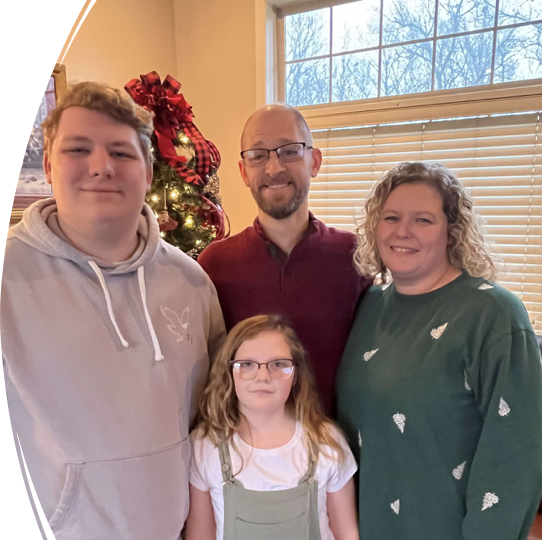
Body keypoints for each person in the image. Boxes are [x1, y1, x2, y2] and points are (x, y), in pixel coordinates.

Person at [0, 82, 226, 539]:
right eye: (78, 149)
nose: (101, 167)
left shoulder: (193, 283)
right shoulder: (9, 282)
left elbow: (213, 416)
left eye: (122, 153)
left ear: (147, 172)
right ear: (48, 166)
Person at [336, 161, 542, 540]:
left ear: (452, 231)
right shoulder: (370, 305)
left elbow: (516, 453)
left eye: (423, 220)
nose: (402, 231)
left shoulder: (493, 315)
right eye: (391, 217)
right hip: (369, 526)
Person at [197, 104, 372, 415]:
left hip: (338, 455)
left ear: (314, 161)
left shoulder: (355, 257)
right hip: (245, 455)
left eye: (289, 151)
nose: (274, 168)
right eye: (258, 155)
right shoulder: (214, 265)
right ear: (243, 172)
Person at [185, 314, 359, 540]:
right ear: (229, 373)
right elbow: (200, 535)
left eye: (278, 364)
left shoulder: (327, 442)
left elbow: (346, 532)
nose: (263, 376)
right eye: (247, 364)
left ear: (296, 375)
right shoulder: (205, 445)